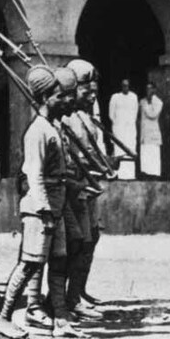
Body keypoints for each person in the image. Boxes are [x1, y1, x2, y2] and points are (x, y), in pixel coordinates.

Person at [0, 65, 85, 339]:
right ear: (46, 98)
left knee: (60, 260)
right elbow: (34, 174)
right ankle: (4, 317)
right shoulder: (37, 131)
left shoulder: (52, 127)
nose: (64, 100)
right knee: (30, 264)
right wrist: (45, 209)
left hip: (56, 203)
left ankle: (61, 320)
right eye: (59, 96)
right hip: (39, 208)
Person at [64, 59, 116, 311]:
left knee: (92, 237)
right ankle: (70, 297)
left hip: (90, 185)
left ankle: (79, 290)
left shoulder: (86, 116)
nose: (93, 96)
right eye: (87, 92)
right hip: (76, 187)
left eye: (95, 92)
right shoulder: (67, 118)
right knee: (80, 242)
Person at [109, 79, 139, 179]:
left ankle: (130, 175)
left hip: (130, 129)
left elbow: (135, 112)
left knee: (130, 149)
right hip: (119, 129)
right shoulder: (115, 97)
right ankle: (120, 174)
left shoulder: (133, 97)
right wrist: (118, 124)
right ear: (121, 86)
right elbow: (111, 114)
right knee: (119, 150)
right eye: (124, 86)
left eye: (127, 86)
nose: (125, 88)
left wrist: (129, 123)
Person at [139, 82, 163, 179]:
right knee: (145, 152)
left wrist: (148, 104)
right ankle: (145, 173)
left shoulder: (158, 102)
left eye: (150, 88)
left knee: (153, 153)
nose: (148, 91)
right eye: (147, 89)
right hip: (144, 131)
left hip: (153, 131)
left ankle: (154, 174)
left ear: (154, 90)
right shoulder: (142, 101)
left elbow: (152, 115)